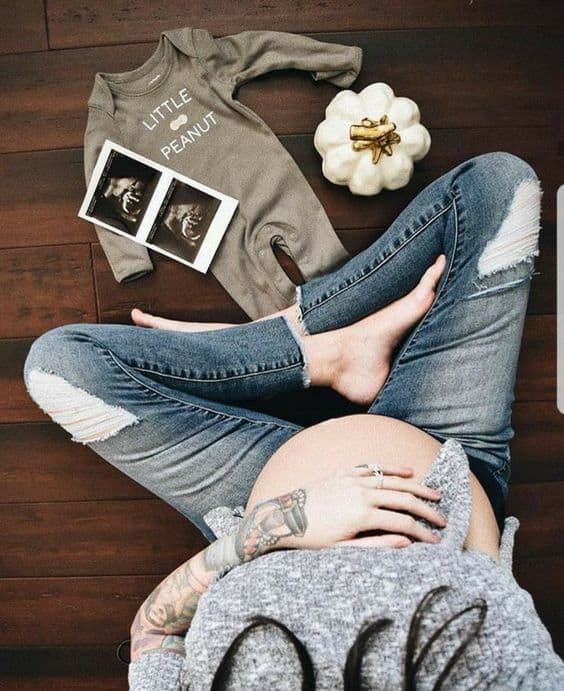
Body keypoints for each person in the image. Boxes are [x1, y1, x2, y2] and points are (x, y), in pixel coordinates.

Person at [22, 152, 561, 687]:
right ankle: (319, 349)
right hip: (443, 455)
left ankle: (313, 354)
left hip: (257, 497)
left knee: (59, 368)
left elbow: (152, 633)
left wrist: (280, 525)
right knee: (498, 187)